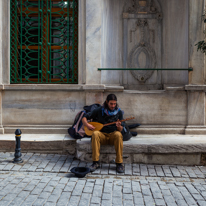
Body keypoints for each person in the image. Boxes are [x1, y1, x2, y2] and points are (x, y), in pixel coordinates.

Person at [82, 94, 125, 173]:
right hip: (102, 136)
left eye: (114, 104)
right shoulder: (99, 110)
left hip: (113, 135)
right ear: (107, 102)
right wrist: (87, 124)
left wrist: (119, 126)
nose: (113, 106)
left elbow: (121, 129)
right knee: (95, 134)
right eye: (111, 103)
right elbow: (84, 117)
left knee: (118, 135)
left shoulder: (119, 112)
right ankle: (96, 162)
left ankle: (119, 163)